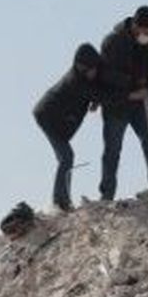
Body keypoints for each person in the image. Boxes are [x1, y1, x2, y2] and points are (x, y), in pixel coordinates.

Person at [97, 5, 148, 200]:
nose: (146, 35)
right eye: (143, 31)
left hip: (141, 105)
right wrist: (131, 87)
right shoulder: (113, 42)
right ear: (135, 25)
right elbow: (106, 76)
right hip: (117, 104)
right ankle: (107, 195)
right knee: (113, 149)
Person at [33, 43, 103, 212]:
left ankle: (62, 200)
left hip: (59, 120)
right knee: (66, 157)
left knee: (65, 157)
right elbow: (98, 94)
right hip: (47, 117)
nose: (94, 72)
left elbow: (94, 93)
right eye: (91, 68)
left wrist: (95, 100)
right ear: (81, 66)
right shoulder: (75, 82)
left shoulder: (83, 78)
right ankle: (60, 202)